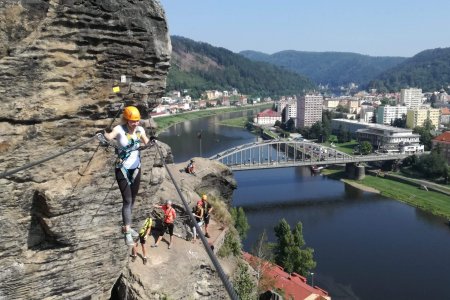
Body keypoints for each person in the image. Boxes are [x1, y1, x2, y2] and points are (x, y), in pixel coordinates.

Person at [97, 106, 152, 246]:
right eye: (133, 121)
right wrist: (103, 133)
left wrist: (153, 141)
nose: (136, 123)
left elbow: (147, 142)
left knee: (132, 199)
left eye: (137, 121)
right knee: (127, 200)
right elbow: (109, 136)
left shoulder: (140, 130)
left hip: (136, 168)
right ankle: (127, 232)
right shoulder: (119, 129)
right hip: (122, 168)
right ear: (127, 120)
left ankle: (127, 225)